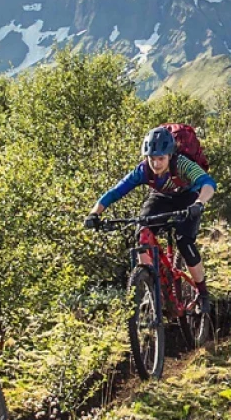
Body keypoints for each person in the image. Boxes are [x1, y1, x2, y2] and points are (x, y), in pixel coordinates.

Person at [84, 127, 216, 314]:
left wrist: (199, 203)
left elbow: (208, 183)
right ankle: (149, 286)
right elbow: (115, 192)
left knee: (184, 241)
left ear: (170, 155)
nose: (156, 163)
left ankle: (202, 293)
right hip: (161, 197)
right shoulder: (143, 170)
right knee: (142, 230)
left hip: (188, 197)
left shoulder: (182, 164)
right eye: (151, 158)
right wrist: (94, 213)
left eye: (161, 158)